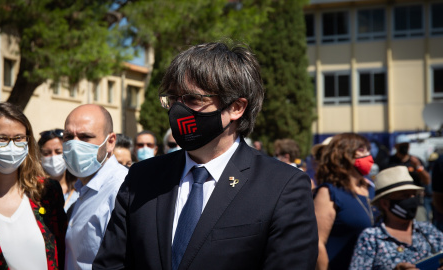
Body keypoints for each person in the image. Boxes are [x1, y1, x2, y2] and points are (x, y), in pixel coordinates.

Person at [93, 41, 318, 270]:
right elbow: (111, 265)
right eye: (172, 99)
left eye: (193, 99)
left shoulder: (282, 186)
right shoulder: (142, 178)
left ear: (236, 107)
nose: (178, 111)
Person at [0, 102, 67, 269]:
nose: (11, 146)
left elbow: (63, 252)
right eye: (2, 138)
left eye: (19, 138)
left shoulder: (47, 192)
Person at [63, 104, 128, 270]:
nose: (74, 145)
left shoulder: (121, 189)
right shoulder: (82, 187)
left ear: (110, 142)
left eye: (85, 137)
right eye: (68, 136)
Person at [349, 166, 443, 270]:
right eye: (405, 196)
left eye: (413, 195)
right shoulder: (371, 238)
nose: (412, 200)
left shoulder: (428, 231)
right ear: (385, 203)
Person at [313, 133, 376, 270]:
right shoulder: (329, 192)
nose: (368, 155)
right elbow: (317, 243)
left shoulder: (371, 189)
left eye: (368, 150)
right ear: (344, 154)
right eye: (361, 150)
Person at [38, 128, 79, 212]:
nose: (53, 157)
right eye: (47, 153)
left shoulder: (80, 188)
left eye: (58, 152)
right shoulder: (35, 192)